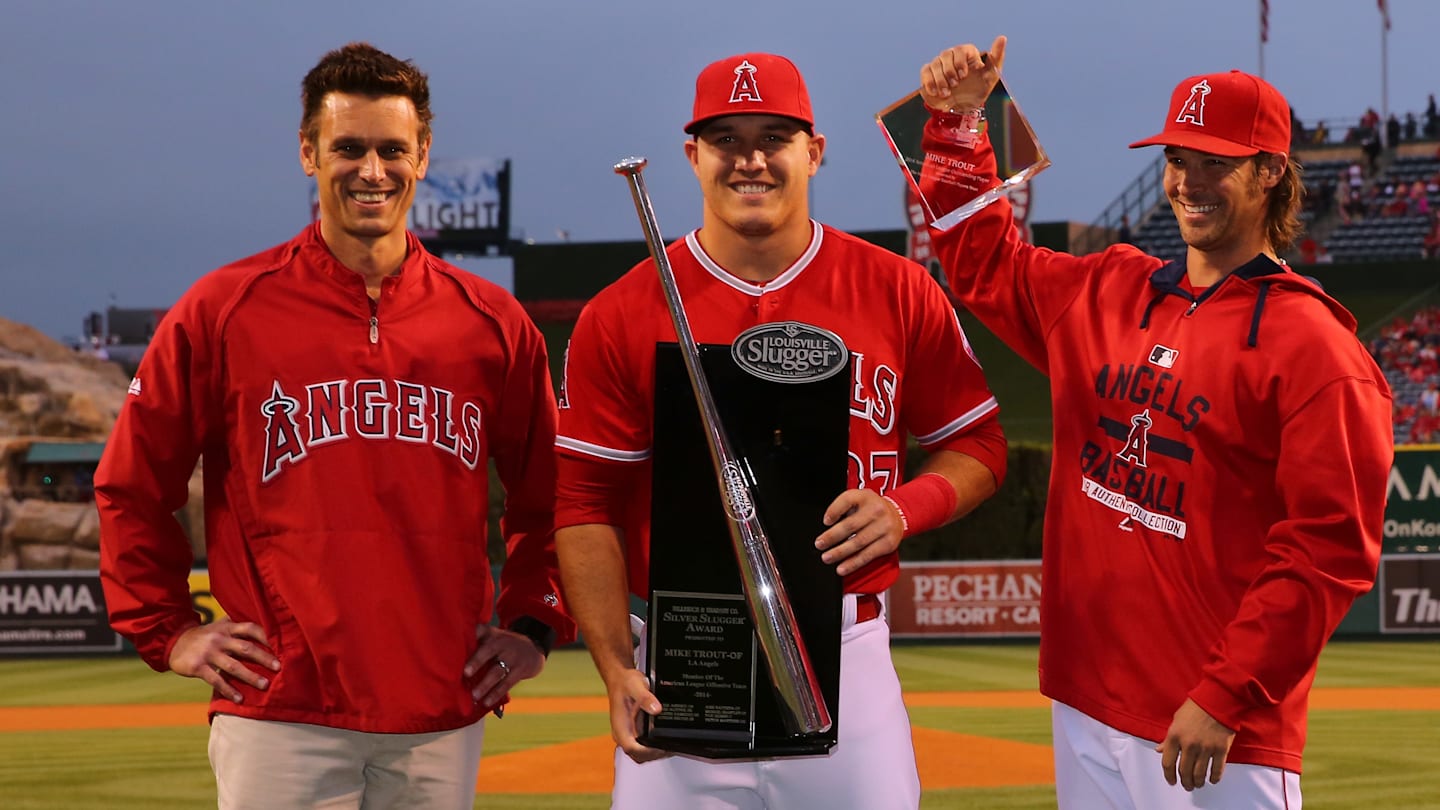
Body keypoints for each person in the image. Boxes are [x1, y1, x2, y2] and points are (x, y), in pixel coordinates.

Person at [94, 42, 574, 809]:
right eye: (348, 148)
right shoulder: (224, 309)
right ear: (308, 152)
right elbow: (130, 481)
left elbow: (551, 496)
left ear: (422, 154)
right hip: (282, 707)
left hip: (440, 707)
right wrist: (167, 628)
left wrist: (531, 621)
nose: (372, 170)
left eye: (392, 149)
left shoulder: (491, 322)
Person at [916, 38, 1392, 808]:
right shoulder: (1108, 288)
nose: (1188, 182)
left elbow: (1327, 551)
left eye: (1215, 162)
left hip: (1209, 729)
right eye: (1178, 158)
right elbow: (982, 263)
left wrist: (1226, 694)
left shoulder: (1317, 348)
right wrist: (958, 127)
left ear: (1270, 171)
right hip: (1084, 700)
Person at [553, 52, 1007, 809]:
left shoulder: (897, 288)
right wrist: (611, 664)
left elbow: (979, 445)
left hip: (849, 645)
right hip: (681, 660)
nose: (751, 159)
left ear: (815, 152)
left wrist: (905, 508)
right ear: (693, 156)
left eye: (775, 137)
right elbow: (585, 504)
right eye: (726, 140)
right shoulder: (620, 312)